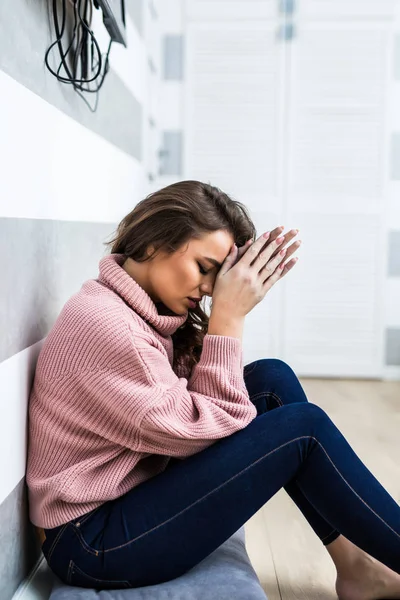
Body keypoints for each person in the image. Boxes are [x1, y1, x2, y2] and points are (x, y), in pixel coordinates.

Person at [26, 180, 400, 598]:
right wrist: (228, 316)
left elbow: (203, 406)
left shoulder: (138, 309)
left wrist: (227, 308)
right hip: (91, 541)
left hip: (124, 497)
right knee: (304, 428)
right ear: (155, 240)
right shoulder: (110, 327)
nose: (207, 288)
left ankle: (357, 567)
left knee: (271, 380)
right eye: (204, 268)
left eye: (215, 276)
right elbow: (202, 430)